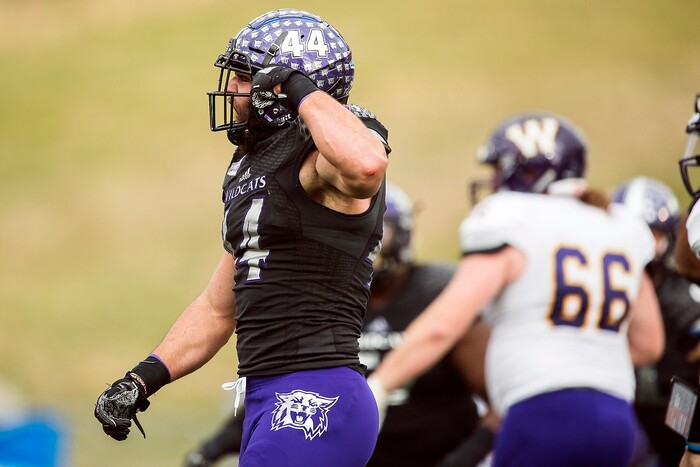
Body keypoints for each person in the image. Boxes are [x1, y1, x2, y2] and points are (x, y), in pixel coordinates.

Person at [94, 8, 390, 467]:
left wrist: (298, 90)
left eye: (243, 77)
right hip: (266, 395)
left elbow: (367, 165)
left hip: (316, 393)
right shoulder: (254, 165)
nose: (231, 88)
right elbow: (218, 307)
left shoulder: (331, 147)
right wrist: (142, 379)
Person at [367, 111, 665, 467]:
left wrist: (381, 386)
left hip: (542, 415)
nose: (493, 180)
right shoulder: (617, 227)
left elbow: (444, 324)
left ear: (524, 171)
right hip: (616, 421)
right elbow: (648, 343)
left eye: (498, 168)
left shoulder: (512, 220)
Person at [183, 183, 497, 467]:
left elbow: (499, 402)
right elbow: (288, 392)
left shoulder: (437, 294)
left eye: (380, 233)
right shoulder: (323, 295)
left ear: (403, 235)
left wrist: (462, 460)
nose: (371, 246)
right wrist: (213, 447)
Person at [611, 176, 700, 467]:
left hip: (674, 422)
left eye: (648, 234)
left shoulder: (676, 297)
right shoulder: (603, 291)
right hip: (632, 419)